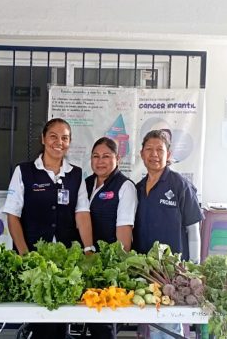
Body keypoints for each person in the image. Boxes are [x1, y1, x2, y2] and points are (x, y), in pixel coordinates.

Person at [3, 117, 94, 339]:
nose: (59, 142)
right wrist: (24, 254)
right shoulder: (24, 171)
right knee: (38, 317)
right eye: (53, 136)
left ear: (69, 142)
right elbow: (12, 216)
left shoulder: (75, 174)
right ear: (43, 139)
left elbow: (82, 214)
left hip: (65, 260)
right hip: (32, 256)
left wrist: (89, 248)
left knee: (61, 316)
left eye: (65, 138)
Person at [133, 129, 203, 339]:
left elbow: (193, 228)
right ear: (141, 154)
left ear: (168, 154)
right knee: (153, 321)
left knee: (169, 324)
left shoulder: (179, 185)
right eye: (149, 149)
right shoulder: (138, 188)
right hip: (147, 269)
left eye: (159, 150)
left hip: (173, 272)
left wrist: (194, 266)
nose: (154, 154)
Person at [85, 137, 137, 339]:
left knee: (103, 325)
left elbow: (124, 232)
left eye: (106, 156)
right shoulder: (87, 183)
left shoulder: (125, 187)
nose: (100, 161)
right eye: (96, 156)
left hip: (108, 268)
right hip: (87, 262)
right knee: (86, 316)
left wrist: (116, 268)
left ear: (118, 158)